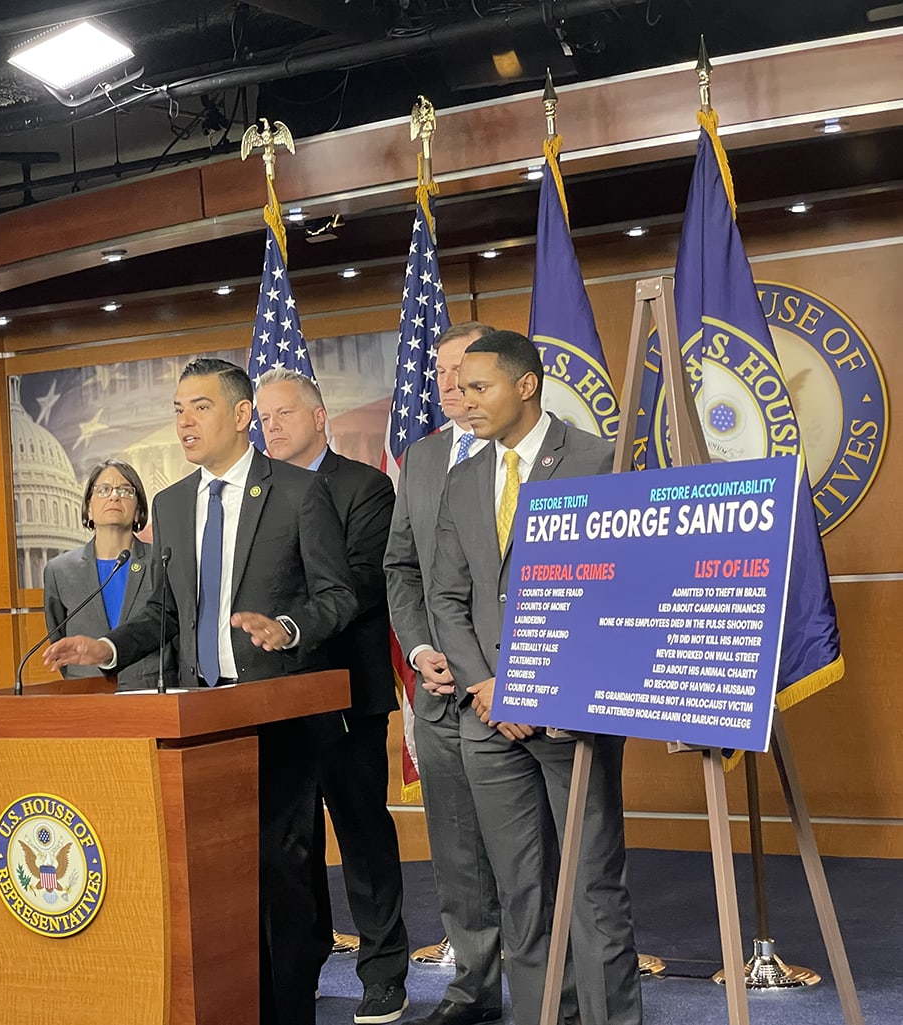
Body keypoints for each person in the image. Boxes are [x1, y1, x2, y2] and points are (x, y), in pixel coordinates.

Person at [44, 356, 356, 1025]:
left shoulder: (300, 492)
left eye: (200, 406)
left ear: (242, 415)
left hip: (278, 715)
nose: (184, 420)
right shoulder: (176, 503)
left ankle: (288, 1011)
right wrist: (106, 648)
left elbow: (338, 596)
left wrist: (287, 627)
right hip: (198, 723)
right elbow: (162, 611)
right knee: (211, 883)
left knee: (281, 878)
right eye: (178, 408)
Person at [427, 329, 642, 1025]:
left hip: (570, 713)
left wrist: (529, 687)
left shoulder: (599, 461)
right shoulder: (463, 476)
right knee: (523, 891)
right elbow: (446, 597)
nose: (462, 398)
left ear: (526, 385)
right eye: (458, 385)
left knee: (591, 885)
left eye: (477, 385)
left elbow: (618, 589)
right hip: (486, 716)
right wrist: (487, 685)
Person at [255, 367, 410, 1025]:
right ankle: (303, 964)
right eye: (264, 418)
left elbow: (356, 585)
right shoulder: (258, 494)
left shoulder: (364, 486)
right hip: (273, 699)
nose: (273, 426)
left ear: (319, 417)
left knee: (361, 832)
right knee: (291, 843)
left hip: (348, 690)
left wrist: (282, 621)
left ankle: (383, 974)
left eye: (285, 413)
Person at [384, 321, 506, 1025]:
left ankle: (557, 988)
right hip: (435, 693)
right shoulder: (423, 458)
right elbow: (402, 566)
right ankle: (474, 989)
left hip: (507, 691)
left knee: (528, 853)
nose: (451, 382)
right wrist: (421, 644)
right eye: (440, 372)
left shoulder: (525, 453)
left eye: (465, 367)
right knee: (458, 852)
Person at [42, 459, 176, 691]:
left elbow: (173, 629)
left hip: (153, 694)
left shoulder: (162, 561)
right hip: (88, 695)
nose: (114, 496)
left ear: (139, 512)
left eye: (125, 490)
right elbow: (59, 638)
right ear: (88, 509)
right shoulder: (59, 571)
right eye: (103, 490)